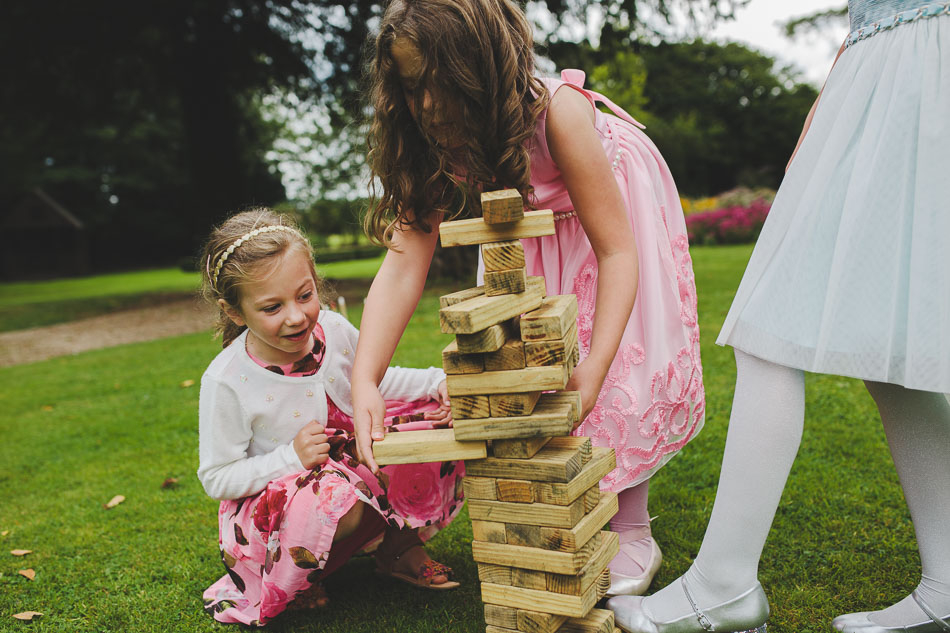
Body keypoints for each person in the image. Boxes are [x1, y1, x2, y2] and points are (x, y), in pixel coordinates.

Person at [608, 2, 950, 632]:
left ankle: (723, 584)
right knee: (898, 354)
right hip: (879, 75)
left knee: (771, 330)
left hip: (920, 73)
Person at [351, 0, 705, 596]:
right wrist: (366, 378)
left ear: (482, 71)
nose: (430, 105)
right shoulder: (429, 132)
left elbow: (619, 255)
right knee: (532, 357)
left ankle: (632, 527)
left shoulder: (556, 113)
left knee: (606, 357)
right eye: (413, 88)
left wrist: (592, 370)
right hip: (532, 230)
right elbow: (406, 258)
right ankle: (566, 497)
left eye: (443, 85)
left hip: (610, 215)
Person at [196, 209, 464, 626]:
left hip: (351, 462)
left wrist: (437, 383)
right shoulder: (228, 380)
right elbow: (217, 477)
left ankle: (398, 548)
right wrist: (292, 459)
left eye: (304, 295)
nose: (296, 316)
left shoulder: (334, 330)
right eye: (272, 307)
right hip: (287, 500)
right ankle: (299, 577)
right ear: (234, 312)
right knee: (332, 498)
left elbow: (374, 380)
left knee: (440, 420)